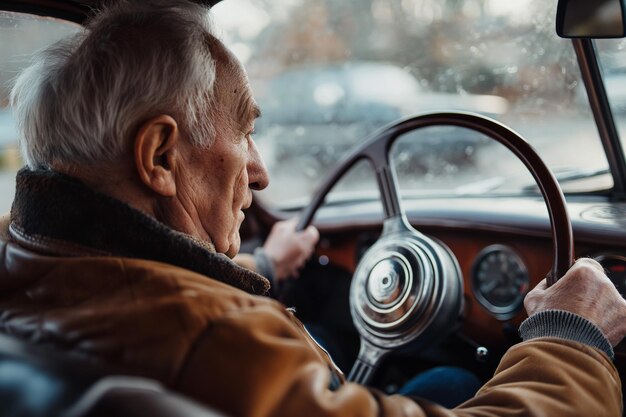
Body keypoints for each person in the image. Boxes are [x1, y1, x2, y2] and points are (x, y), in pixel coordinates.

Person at [1, 1, 624, 416]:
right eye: (243, 131)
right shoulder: (212, 341)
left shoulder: (27, 266)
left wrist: (261, 264)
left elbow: (152, 280)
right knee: (455, 385)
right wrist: (570, 336)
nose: (261, 171)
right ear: (160, 158)